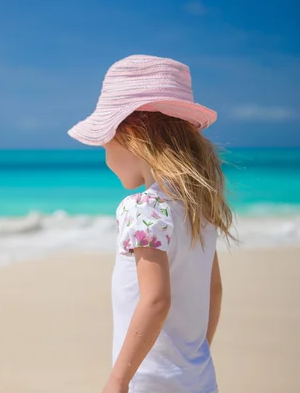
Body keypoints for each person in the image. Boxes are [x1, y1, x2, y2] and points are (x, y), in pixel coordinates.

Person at [67, 55, 235, 393]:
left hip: (150, 383)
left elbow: (156, 300)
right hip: (199, 379)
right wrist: (195, 355)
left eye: (104, 140)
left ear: (130, 135)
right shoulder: (197, 208)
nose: (103, 154)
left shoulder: (143, 208)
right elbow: (213, 290)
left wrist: (118, 380)